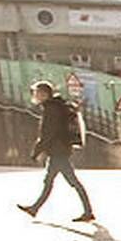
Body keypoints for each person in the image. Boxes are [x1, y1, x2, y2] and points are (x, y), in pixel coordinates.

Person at [17, 82, 94, 223]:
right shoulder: (56, 106)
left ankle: (88, 212)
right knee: (50, 181)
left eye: (37, 92)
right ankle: (35, 208)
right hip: (60, 149)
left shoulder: (51, 109)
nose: (35, 95)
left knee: (72, 182)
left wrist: (36, 151)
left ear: (45, 94)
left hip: (58, 150)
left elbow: (48, 133)